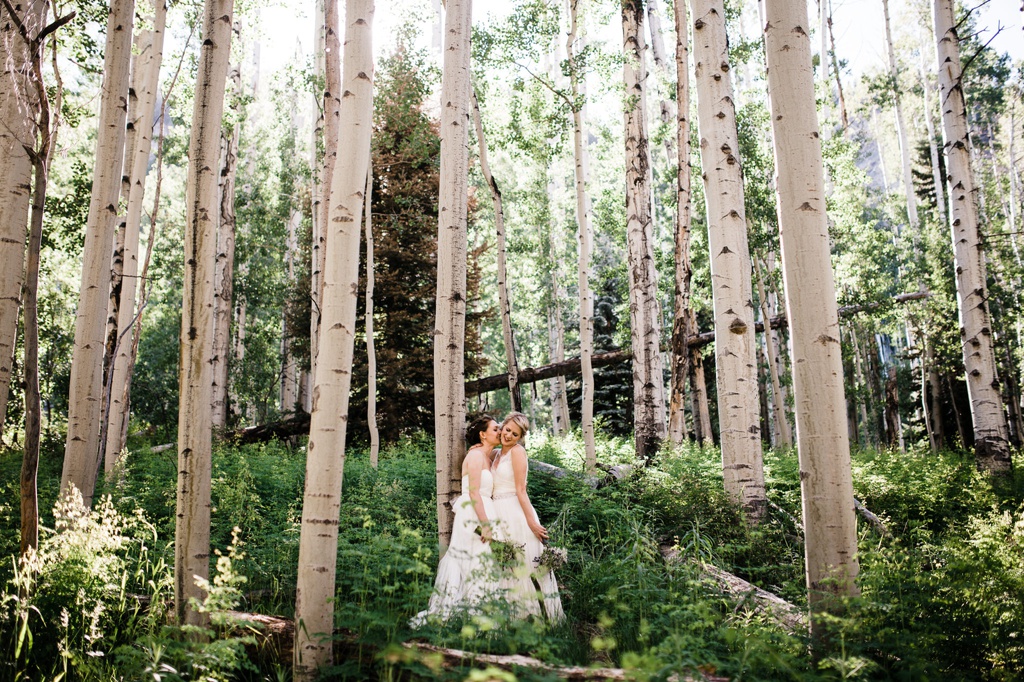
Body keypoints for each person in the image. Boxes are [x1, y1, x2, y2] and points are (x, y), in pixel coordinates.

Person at [412, 416, 503, 624]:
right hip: (473, 514)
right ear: (483, 434)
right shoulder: (475, 456)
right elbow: (473, 493)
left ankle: (480, 608)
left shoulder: (489, 457)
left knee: (484, 561)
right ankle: (466, 611)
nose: (500, 431)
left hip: (485, 510)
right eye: (496, 428)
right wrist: (485, 525)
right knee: (473, 559)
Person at [490, 412, 564, 621]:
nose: (509, 435)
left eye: (515, 434)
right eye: (507, 430)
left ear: (520, 437)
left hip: (516, 512)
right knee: (505, 564)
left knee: (524, 563)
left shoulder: (518, 453)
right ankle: (509, 615)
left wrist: (532, 522)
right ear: (502, 427)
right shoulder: (496, 454)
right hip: (497, 513)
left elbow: (521, 490)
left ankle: (537, 615)